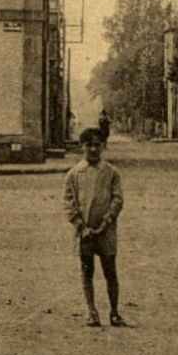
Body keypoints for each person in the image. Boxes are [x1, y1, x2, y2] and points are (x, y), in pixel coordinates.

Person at [63, 127, 126, 328]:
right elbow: (69, 202)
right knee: (86, 271)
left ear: (102, 147)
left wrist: (106, 222)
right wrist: (81, 226)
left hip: (106, 231)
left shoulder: (111, 172)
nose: (92, 149)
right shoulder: (74, 174)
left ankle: (114, 312)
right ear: (82, 147)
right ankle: (91, 311)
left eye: (97, 145)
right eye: (88, 145)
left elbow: (117, 199)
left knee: (110, 271)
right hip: (85, 233)